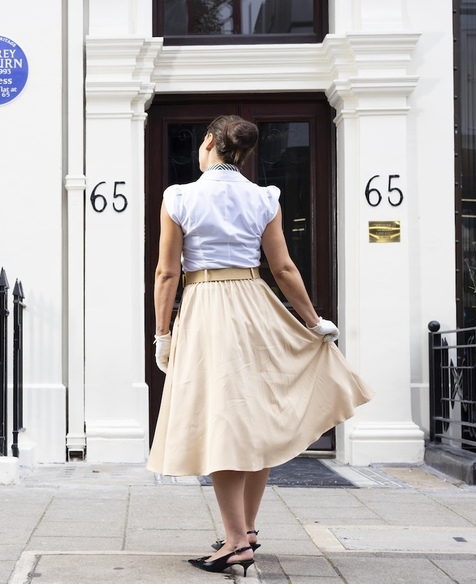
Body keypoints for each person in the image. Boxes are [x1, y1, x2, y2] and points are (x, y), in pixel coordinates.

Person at [146, 115, 374, 576]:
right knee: (253, 418)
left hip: (207, 306)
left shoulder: (180, 197)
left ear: (209, 141)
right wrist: (314, 322)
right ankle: (246, 529)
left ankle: (234, 544)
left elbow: (167, 273)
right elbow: (284, 268)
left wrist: (162, 333)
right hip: (255, 302)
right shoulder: (263, 197)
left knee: (224, 423)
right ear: (245, 153)